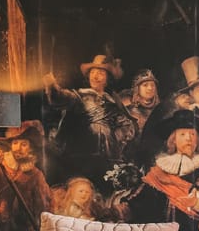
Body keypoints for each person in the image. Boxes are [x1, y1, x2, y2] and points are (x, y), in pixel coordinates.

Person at [43, 52, 137, 188]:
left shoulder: (112, 102)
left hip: (107, 159)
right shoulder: (80, 97)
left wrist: (117, 136)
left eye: (100, 73)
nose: (95, 76)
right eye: (93, 72)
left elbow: (126, 126)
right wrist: (51, 84)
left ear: (108, 79)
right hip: (82, 157)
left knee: (105, 191)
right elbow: (59, 97)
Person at [125, 110, 199, 231]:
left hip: (193, 230)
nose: (188, 138)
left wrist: (195, 200)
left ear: (198, 140)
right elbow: (145, 198)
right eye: (182, 134)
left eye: (192, 134)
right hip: (161, 229)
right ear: (173, 140)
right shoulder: (160, 168)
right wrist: (125, 208)